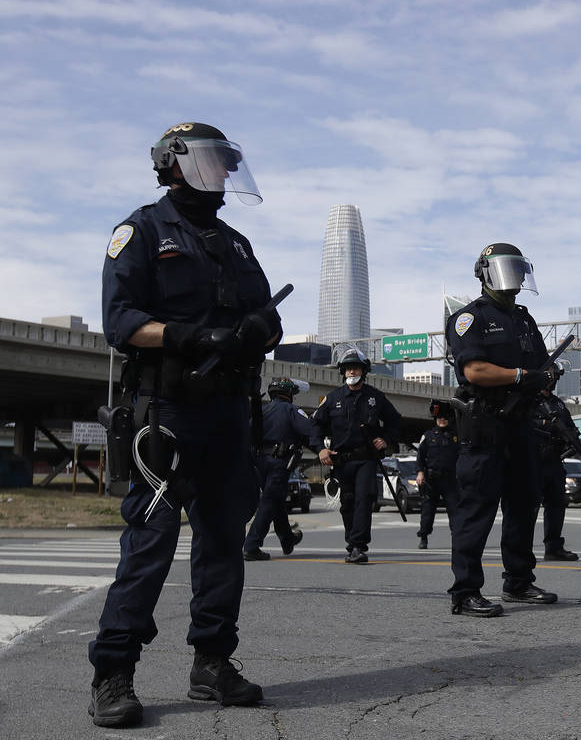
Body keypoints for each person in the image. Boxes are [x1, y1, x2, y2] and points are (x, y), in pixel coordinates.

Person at [90, 122, 279, 727]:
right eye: (211, 160)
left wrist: (257, 331)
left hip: (228, 414)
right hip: (168, 414)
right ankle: (113, 673)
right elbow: (121, 323)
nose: (222, 172)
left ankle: (212, 662)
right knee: (150, 542)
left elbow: (265, 316)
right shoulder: (141, 231)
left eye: (227, 162)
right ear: (175, 164)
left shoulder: (237, 243)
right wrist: (189, 335)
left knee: (225, 543)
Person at [444, 242, 557, 616]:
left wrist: (546, 376)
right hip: (486, 424)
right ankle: (465, 591)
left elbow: (542, 367)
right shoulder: (469, 318)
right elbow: (475, 370)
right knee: (476, 508)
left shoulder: (524, 320)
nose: (514, 278)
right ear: (485, 273)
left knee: (524, 504)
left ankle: (519, 582)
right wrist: (522, 375)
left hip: (522, 423)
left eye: (517, 270)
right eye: (505, 269)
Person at [310, 347, 405, 564]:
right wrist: (320, 449)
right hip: (342, 461)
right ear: (342, 372)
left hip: (366, 460)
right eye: (348, 368)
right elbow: (314, 425)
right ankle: (351, 543)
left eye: (356, 368)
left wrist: (386, 439)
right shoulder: (332, 398)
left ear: (364, 371)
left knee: (364, 500)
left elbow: (395, 421)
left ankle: (359, 546)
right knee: (348, 502)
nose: (352, 372)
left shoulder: (375, 397)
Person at [244, 377, 313, 560]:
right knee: (269, 502)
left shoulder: (262, 411)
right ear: (290, 394)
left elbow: (248, 435)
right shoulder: (291, 410)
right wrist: (322, 449)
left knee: (276, 500)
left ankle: (287, 539)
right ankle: (251, 545)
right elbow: (309, 432)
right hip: (279, 463)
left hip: (258, 462)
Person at [532, 389, 580, 561]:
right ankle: (522, 548)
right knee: (529, 506)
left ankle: (553, 548)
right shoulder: (528, 398)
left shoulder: (557, 403)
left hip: (554, 459)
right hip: (534, 460)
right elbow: (522, 423)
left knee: (556, 505)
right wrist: (545, 424)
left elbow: (569, 425)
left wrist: (572, 437)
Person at [415, 399, 460, 549]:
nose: (442, 420)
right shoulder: (427, 436)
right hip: (431, 479)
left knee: (455, 510)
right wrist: (420, 473)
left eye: (445, 417)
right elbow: (420, 456)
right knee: (427, 511)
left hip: (450, 479)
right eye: (440, 417)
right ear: (435, 419)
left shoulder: (456, 436)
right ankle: (423, 537)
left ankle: (457, 538)